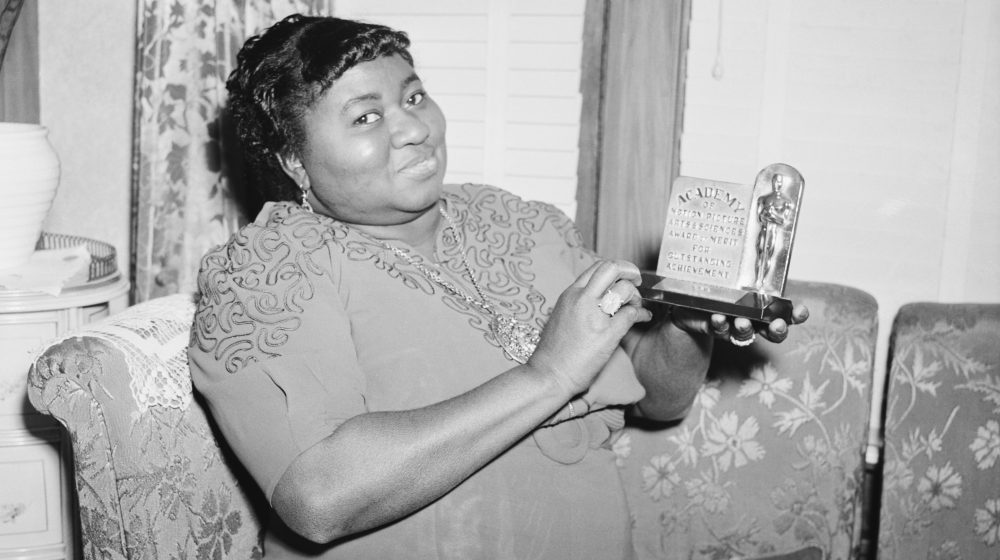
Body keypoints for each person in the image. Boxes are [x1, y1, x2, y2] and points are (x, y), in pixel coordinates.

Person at [188, 14, 808, 559]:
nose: (413, 127)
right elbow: (319, 498)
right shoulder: (268, 268)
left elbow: (657, 397)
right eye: (367, 116)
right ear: (294, 160)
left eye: (415, 96)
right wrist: (547, 377)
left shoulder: (515, 221)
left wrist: (686, 325)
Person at [753, 173, 795, 293]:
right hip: (764, 230)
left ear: (782, 183)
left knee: (768, 255)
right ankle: (757, 282)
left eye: (779, 181)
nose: (777, 184)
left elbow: (783, 220)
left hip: (773, 231)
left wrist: (771, 215)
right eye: (775, 181)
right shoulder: (763, 199)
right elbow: (760, 217)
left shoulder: (785, 201)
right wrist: (767, 216)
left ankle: (763, 282)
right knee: (760, 254)